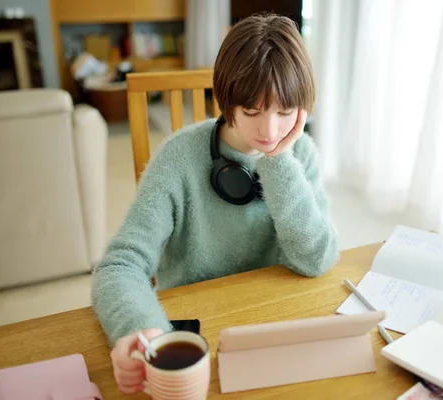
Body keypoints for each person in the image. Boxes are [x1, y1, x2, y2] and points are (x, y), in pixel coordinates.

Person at [91, 14, 339, 394]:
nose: (270, 131)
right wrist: (139, 330)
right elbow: (120, 265)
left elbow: (315, 260)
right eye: (253, 112)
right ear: (226, 101)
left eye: (286, 112)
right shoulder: (178, 157)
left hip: (271, 326)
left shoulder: (299, 153)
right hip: (194, 337)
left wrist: (278, 163)